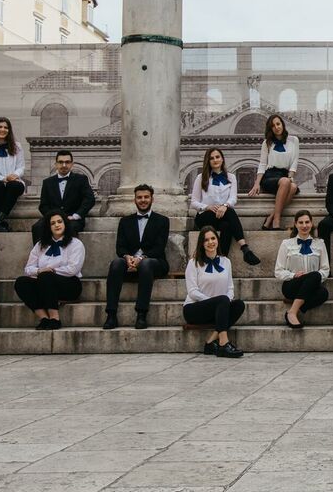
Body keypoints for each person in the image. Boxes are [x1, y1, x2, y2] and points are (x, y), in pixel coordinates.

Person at [104, 184, 170, 330]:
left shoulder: (163, 221)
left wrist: (141, 259)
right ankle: (111, 315)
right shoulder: (125, 221)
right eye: (139, 197)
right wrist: (127, 257)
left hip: (155, 262)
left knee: (146, 264)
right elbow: (120, 247)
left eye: (146, 197)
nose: (143, 200)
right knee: (116, 264)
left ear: (152, 199)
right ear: (134, 200)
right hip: (130, 262)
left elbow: (159, 248)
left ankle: (141, 314)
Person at [13, 210, 84, 330]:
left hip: (69, 284)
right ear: (48, 227)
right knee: (21, 282)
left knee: (46, 276)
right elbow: (28, 269)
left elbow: (73, 269)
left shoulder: (75, 244)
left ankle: (54, 318)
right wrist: (39, 271)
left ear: (65, 224)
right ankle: (44, 318)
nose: (57, 225)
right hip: (44, 283)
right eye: (53, 223)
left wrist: (52, 271)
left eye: (60, 222)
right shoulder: (40, 245)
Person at [190, 148, 260, 266]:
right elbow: (194, 202)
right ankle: (244, 248)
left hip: (222, 215)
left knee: (226, 226)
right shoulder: (201, 177)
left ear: (222, 159)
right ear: (208, 161)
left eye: (217, 157)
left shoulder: (231, 177)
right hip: (205, 217)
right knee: (230, 212)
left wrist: (224, 206)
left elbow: (233, 199)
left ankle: (221, 260)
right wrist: (207, 207)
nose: (215, 160)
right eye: (212, 158)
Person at [182, 227, 245, 358]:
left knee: (239, 305)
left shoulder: (226, 262)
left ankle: (210, 342)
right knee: (222, 300)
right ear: (201, 243)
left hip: (218, 309)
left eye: (213, 238)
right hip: (194, 308)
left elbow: (230, 288)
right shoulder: (193, 263)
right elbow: (192, 291)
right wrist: (214, 302)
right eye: (206, 240)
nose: (210, 242)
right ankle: (223, 343)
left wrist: (223, 303)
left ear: (217, 240)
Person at [275, 210, 330, 329]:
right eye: (301, 222)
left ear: (311, 223)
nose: (304, 225)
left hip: (312, 285)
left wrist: (312, 280)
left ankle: (295, 307)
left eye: (307, 222)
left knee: (323, 293)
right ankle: (292, 313)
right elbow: (278, 271)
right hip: (292, 285)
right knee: (314, 275)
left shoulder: (320, 243)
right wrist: (293, 275)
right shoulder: (286, 244)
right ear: (295, 224)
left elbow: (325, 269)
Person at [248, 113, 300, 230]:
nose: (276, 127)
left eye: (278, 124)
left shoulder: (294, 140)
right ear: (270, 129)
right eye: (273, 126)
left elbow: (294, 162)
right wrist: (257, 183)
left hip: (285, 175)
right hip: (270, 176)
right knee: (286, 182)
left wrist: (291, 176)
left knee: (293, 187)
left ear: (282, 124)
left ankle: (270, 217)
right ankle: (276, 221)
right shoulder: (267, 143)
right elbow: (262, 164)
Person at [30, 151, 95, 243]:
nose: (64, 165)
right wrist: (53, 218)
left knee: (70, 228)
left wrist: (76, 216)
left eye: (67, 162)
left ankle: (66, 252)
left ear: (72, 164)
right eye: (60, 162)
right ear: (56, 164)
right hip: (53, 218)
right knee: (37, 227)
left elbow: (90, 199)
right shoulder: (47, 182)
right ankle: (42, 251)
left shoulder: (81, 179)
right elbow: (43, 205)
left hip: (73, 219)